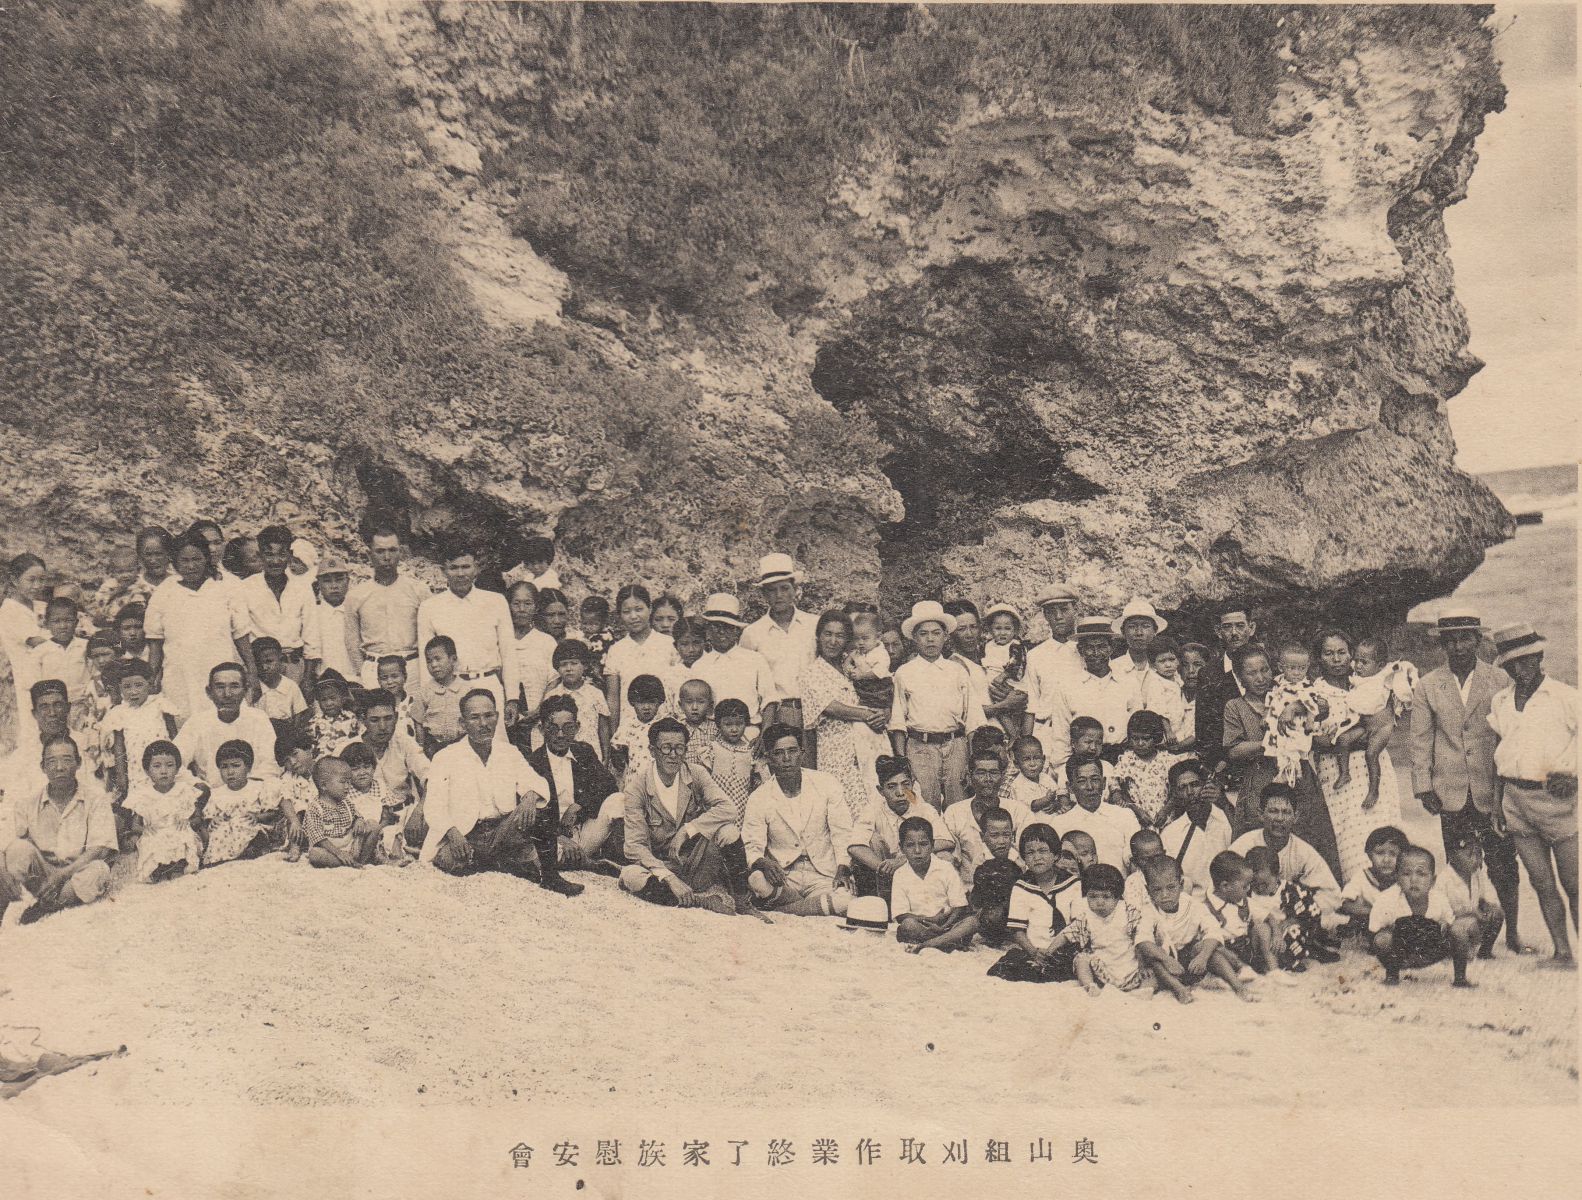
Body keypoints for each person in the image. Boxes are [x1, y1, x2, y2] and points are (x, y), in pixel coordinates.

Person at [1409, 608, 1525, 954]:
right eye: (1451, 640)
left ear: (1478, 640)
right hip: (1450, 792)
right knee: (1459, 866)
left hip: (1493, 789)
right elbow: (1419, 739)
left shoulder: (1501, 680)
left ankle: (1513, 933)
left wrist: (1510, 786)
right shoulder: (1429, 684)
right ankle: (1464, 935)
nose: (1459, 646)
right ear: (1442, 644)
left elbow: (1510, 736)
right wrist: (1424, 787)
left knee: (1504, 861)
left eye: (1465, 638)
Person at [410, 689, 581, 895]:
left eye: (489, 716)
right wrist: (453, 834)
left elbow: (538, 783)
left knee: (538, 806)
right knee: (453, 861)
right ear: (462, 724)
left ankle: (550, 877)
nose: (484, 724)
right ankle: (503, 861)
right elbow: (434, 806)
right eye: (475, 717)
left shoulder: (508, 752)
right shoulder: (446, 757)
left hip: (503, 831)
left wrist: (530, 796)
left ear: (497, 717)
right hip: (465, 836)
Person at [1486, 622, 1577, 968]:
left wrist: (1570, 772)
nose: (1519, 670)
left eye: (1525, 661)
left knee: (1575, 883)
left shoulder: (1566, 697)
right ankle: (1563, 953)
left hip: (1557, 800)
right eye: (1511, 664)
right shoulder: (1502, 700)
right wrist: (1497, 805)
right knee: (1542, 882)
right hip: (1516, 801)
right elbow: (1500, 753)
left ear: (1539, 657)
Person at [619, 717, 761, 917]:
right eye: (666, 748)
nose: (673, 755)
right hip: (661, 867)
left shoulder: (696, 773)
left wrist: (688, 829)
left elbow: (728, 809)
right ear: (652, 751)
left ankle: (742, 900)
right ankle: (700, 900)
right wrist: (669, 877)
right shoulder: (637, 786)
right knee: (630, 875)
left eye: (680, 748)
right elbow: (634, 846)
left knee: (729, 831)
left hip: (696, 862)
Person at [1221, 644, 1340, 876]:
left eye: (1264, 670)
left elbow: (1323, 706)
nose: (1260, 678)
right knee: (1258, 839)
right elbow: (1233, 750)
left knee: (1310, 833)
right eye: (1251, 673)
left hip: (1299, 776)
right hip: (1261, 779)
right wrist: (1272, 742)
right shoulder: (1235, 707)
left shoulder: (1290, 690)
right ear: (1239, 677)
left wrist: (1297, 706)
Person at [1310, 628, 1404, 884]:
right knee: (1348, 836)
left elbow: (1387, 719)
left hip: (1373, 767)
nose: (1337, 659)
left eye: (1342, 652)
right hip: (1335, 770)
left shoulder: (1369, 680)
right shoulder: (1313, 693)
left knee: (1382, 831)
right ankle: (1356, 899)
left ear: (1352, 654)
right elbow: (1313, 739)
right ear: (1318, 658)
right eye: (1328, 653)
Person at [0, 735, 116, 924]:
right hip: (43, 877)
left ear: (78, 763)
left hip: (76, 873)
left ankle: (45, 907)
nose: (60, 767)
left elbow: (100, 848)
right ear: (43, 767)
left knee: (99, 870)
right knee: (17, 850)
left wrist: (63, 875)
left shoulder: (96, 799)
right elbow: (11, 845)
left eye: (67, 759)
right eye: (52, 761)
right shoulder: (28, 803)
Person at [416, 538, 525, 737]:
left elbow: (509, 653)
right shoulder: (430, 607)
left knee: (496, 749)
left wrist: (512, 697)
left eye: (466, 567)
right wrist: (429, 700)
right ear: (444, 571)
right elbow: (427, 662)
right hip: (450, 689)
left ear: (476, 568)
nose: (460, 574)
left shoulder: (496, 602)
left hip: (489, 683)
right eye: (453, 567)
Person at [742, 723, 853, 916]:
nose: (787, 759)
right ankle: (812, 907)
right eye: (779, 753)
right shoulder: (759, 797)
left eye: (792, 751)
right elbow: (752, 845)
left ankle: (786, 908)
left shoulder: (827, 783)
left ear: (802, 753)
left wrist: (843, 867)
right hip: (784, 876)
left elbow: (842, 832)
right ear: (768, 758)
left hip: (822, 872)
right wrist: (762, 862)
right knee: (757, 880)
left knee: (846, 901)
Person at [888, 601, 987, 811]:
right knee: (920, 804)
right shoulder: (904, 673)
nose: (930, 639)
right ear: (914, 638)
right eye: (923, 633)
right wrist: (903, 763)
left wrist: (971, 759)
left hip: (956, 746)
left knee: (959, 806)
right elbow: (898, 723)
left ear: (945, 636)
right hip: (919, 747)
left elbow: (973, 720)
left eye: (936, 633)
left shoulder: (957, 670)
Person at [144, 533, 253, 719]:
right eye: (184, 560)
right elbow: (155, 644)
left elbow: (241, 636)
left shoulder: (225, 588)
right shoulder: (164, 592)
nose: (191, 566)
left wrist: (252, 673)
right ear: (174, 562)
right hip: (180, 677)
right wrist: (151, 679)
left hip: (220, 674)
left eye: (197, 559)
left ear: (206, 558)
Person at [799, 609, 885, 822]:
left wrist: (884, 712)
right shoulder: (811, 673)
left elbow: (880, 689)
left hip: (869, 747)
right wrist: (867, 714)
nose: (833, 641)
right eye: (828, 634)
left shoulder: (855, 665)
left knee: (877, 805)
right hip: (836, 755)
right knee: (850, 814)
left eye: (840, 635)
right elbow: (832, 707)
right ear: (818, 636)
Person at [526, 694, 625, 871]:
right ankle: (590, 864)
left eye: (568, 728)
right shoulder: (533, 763)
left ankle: (616, 856)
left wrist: (579, 806)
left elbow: (609, 786)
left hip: (582, 832)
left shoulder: (583, 751)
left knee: (619, 800)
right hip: (552, 839)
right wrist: (558, 838)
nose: (561, 735)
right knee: (537, 853)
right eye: (553, 728)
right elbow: (530, 818)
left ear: (577, 727)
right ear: (541, 729)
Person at [1134, 856, 1253, 1003]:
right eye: (1157, 890)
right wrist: (1167, 959)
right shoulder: (1148, 910)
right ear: (1148, 890)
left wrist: (1203, 957)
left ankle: (1238, 987)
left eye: (1171, 887)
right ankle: (1180, 990)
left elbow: (1213, 931)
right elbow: (1143, 940)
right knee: (1155, 963)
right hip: (1166, 962)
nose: (1164, 895)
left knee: (1210, 950)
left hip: (1191, 959)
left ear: (1181, 884)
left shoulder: (1193, 905)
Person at [1369, 845, 1479, 987]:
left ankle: (1460, 978)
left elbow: (1450, 925)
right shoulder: (1387, 900)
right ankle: (1392, 975)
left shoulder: (1439, 899)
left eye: (1421, 874)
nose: (1414, 880)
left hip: (1431, 950)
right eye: (1406, 874)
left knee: (1458, 930)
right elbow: (1374, 933)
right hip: (1401, 953)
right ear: (1397, 878)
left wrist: (1444, 928)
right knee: (1382, 939)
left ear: (1433, 881)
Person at [1228, 782, 1341, 920]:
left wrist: (1297, 914)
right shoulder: (1244, 846)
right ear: (1260, 814)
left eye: (1286, 812)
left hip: (1291, 915)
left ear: (1296, 817)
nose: (1280, 819)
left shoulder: (1303, 852)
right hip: (1252, 915)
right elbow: (1221, 886)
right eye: (1273, 811)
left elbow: (1332, 895)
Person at [1042, 616, 1141, 766]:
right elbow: (1061, 737)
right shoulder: (1067, 687)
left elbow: (1137, 726)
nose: (1096, 653)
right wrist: (1063, 770)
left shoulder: (1128, 682)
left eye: (1101, 646)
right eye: (1089, 647)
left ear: (1111, 648)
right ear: (1080, 650)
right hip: (1085, 763)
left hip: (1124, 760)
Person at [345, 524, 432, 691]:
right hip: (374, 670)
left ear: (400, 553)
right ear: (370, 554)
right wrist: (363, 672)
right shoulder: (356, 595)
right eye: (380, 551)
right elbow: (352, 641)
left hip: (412, 669)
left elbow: (429, 635)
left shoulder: (419, 590)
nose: (387, 557)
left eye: (392, 550)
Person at [846, 756, 948, 898]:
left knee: (945, 856)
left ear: (912, 785)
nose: (900, 792)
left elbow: (946, 840)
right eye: (891, 786)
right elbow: (854, 846)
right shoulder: (873, 809)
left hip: (917, 867)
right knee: (872, 840)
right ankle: (882, 904)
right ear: (880, 790)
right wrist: (886, 868)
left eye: (905, 785)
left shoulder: (923, 808)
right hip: (886, 875)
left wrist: (903, 860)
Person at [986, 823, 1074, 982]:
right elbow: (1017, 930)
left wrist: (1051, 950)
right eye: (1030, 852)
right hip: (1033, 949)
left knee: (1069, 964)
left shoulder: (1073, 884)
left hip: (1063, 948)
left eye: (1043, 851)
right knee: (1010, 965)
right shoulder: (1021, 887)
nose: (1037, 857)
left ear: (1056, 855)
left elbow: (1076, 926)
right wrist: (1033, 952)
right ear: (1024, 858)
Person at [739, 553, 817, 730]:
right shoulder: (752, 633)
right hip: (777, 713)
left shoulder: (814, 625)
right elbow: (749, 680)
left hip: (815, 710)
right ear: (764, 594)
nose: (779, 595)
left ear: (794, 589)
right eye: (772, 590)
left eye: (784, 588)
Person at [1047, 863, 1148, 995]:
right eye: (1093, 896)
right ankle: (1090, 986)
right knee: (1081, 959)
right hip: (1102, 967)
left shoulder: (1128, 912)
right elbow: (1066, 934)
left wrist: (1142, 964)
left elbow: (1141, 937)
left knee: (1152, 972)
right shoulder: (1086, 917)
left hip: (1131, 963)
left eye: (1106, 896)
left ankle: (1145, 990)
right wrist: (1049, 950)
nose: (1099, 902)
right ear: (1086, 896)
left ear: (1117, 897)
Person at [175, 663, 280, 785]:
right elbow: (173, 761)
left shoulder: (258, 718)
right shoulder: (197, 722)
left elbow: (271, 763)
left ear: (245, 690)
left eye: (234, 686)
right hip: (211, 795)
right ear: (209, 692)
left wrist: (246, 789)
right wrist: (196, 784)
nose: (227, 694)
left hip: (254, 792)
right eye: (220, 687)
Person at [237, 525, 316, 686]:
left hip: (295, 666)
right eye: (269, 554)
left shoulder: (302, 587)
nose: (275, 561)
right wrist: (252, 672)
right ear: (260, 555)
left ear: (290, 555)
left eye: (281, 554)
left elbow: (312, 635)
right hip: (262, 668)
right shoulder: (245, 587)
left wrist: (307, 679)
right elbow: (241, 632)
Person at [942, 746, 1033, 884]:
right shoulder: (954, 812)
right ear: (970, 776)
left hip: (1014, 887)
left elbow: (1029, 853)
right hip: (970, 889)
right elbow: (950, 858)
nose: (988, 779)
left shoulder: (1019, 811)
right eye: (981, 773)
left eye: (994, 773)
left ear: (1002, 777)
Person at [121, 740, 205, 883]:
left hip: (178, 829)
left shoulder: (184, 790)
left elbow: (198, 817)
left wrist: (187, 822)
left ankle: (178, 866)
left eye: (170, 765)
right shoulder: (144, 795)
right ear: (147, 771)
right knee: (152, 843)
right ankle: (159, 869)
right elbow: (135, 825)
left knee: (185, 838)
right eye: (157, 766)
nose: (164, 771)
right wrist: (146, 829)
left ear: (178, 768)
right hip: (156, 832)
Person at [1193, 602, 1260, 773]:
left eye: (1240, 626)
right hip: (1229, 767)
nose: (1234, 633)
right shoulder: (1208, 674)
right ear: (1218, 632)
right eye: (1227, 627)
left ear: (1251, 628)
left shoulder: (1269, 667)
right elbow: (1204, 730)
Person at [892, 816, 975, 952]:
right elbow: (901, 914)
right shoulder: (900, 874)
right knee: (907, 925)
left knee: (972, 922)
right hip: (921, 925)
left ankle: (927, 945)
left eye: (923, 844)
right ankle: (945, 942)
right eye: (910, 845)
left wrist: (943, 925)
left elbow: (959, 906)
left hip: (948, 924)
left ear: (932, 845)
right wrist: (929, 920)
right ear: (901, 848)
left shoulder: (946, 868)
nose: (917, 851)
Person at [693, 593, 777, 726]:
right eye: (716, 626)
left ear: (737, 630)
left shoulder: (755, 660)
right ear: (708, 630)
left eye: (728, 626)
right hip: (711, 730)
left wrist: (764, 735)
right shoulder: (699, 666)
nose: (721, 632)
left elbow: (770, 701)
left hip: (750, 731)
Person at [101, 658, 180, 799]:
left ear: (149, 684)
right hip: (136, 767)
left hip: (164, 764)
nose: (133, 692)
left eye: (138, 685)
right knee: (143, 801)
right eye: (127, 687)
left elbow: (175, 736)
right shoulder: (119, 713)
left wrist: (180, 764)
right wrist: (121, 776)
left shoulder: (160, 704)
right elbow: (119, 747)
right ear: (119, 687)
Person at [603, 584, 678, 732]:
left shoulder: (669, 645)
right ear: (619, 615)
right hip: (630, 730)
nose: (633, 616)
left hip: (666, 728)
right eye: (626, 611)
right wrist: (615, 735)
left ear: (650, 609)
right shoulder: (616, 650)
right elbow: (613, 699)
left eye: (639, 609)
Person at [357, 689, 430, 838]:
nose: (383, 727)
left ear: (396, 718)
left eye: (388, 718)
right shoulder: (348, 749)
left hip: (405, 816)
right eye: (375, 720)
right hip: (366, 822)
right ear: (363, 720)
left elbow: (431, 777)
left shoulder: (404, 742)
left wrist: (419, 811)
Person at [198, 739, 280, 866]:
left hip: (250, 826)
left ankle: (250, 850)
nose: (230, 772)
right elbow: (209, 817)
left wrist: (257, 817)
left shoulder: (258, 787)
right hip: (226, 832)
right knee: (218, 831)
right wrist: (214, 820)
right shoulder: (217, 793)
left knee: (248, 828)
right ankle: (221, 859)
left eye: (236, 765)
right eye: (224, 767)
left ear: (248, 767)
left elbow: (272, 812)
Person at [1050, 753, 1139, 871]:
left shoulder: (1124, 816)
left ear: (1103, 783)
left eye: (1095, 780)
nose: (1090, 787)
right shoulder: (1059, 824)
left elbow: (1135, 861)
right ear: (1070, 787)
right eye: (1082, 781)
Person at [1158, 759, 1233, 896]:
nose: (1190, 792)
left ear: (1206, 785)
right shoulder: (1170, 834)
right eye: (1182, 787)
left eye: (1195, 785)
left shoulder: (1226, 820)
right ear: (1176, 794)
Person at [505, 580, 558, 749]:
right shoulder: (499, 640)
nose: (521, 609)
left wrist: (539, 710)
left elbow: (554, 680)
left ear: (536, 608)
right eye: (516, 603)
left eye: (527, 604)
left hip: (538, 716)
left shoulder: (546, 641)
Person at [302, 756, 381, 870]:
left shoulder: (346, 803)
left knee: (373, 825)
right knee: (315, 854)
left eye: (349, 782)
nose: (348, 787)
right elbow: (318, 838)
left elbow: (357, 815)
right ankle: (349, 863)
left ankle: (361, 861)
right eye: (343, 782)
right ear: (324, 785)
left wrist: (359, 820)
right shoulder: (315, 808)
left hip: (352, 845)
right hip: (330, 848)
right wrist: (338, 853)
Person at [1438, 830, 1506, 960]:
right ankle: (1453, 952)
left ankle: (1485, 951)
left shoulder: (1477, 874)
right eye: (1470, 855)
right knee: (1467, 925)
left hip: (1472, 920)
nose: (1476, 860)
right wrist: (1473, 912)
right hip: (1452, 924)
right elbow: (1443, 914)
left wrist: (1486, 905)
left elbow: (1483, 896)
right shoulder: (1444, 879)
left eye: (1479, 855)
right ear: (1452, 856)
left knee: (1497, 912)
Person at [1, 553, 49, 737]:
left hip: (45, 672)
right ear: (14, 580)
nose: (37, 586)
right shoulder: (10, 611)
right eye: (31, 580)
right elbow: (37, 642)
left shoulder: (40, 606)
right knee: (32, 730)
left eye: (41, 580)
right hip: (26, 678)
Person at [543, 640, 611, 760]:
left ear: (584, 665)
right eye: (563, 664)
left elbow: (603, 728)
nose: (569, 669)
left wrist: (605, 757)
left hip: (592, 757)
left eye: (574, 663)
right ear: (557, 668)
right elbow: (547, 730)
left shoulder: (595, 694)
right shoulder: (552, 696)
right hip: (562, 757)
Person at [1111, 710, 1178, 830]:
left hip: (1165, 820)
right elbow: (1117, 790)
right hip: (1138, 820)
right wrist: (1136, 810)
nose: (1140, 743)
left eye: (1146, 739)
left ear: (1156, 737)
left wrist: (1165, 810)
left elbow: (1177, 791)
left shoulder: (1167, 760)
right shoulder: (1126, 761)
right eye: (1135, 738)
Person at [1337, 825, 1409, 936]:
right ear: (1369, 854)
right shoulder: (1362, 877)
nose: (1386, 860)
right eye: (1380, 853)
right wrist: (1373, 912)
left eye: (1393, 854)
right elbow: (1345, 903)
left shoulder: (1403, 880)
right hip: (1368, 923)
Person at [968, 809, 1024, 948]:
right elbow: (976, 892)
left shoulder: (1019, 858)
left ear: (1013, 834)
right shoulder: (980, 859)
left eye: (1006, 835)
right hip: (991, 908)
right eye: (994, 836)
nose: (1001, 841)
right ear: (983, 836)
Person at [410, 634, 469, 754]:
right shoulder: (424, 692)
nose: (433, 665)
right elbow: (418, 724)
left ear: (453, 659)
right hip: (434, 747)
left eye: (438, 659)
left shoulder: (466, 690)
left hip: (462, 745)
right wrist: (421, 749)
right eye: (429, 661)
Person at [706, 698, 761, 823]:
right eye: (728, 724)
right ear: (719, 725)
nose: (734, 729)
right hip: (717, 806)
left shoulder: (750, 750)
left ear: (746, 724)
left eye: (739, 723)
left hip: (743, 805)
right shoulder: (712, 748)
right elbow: (704, 780)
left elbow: (757, 782)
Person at [307, 556, 359, 686]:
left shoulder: (357, 611)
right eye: (327, 581)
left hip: (357, 680)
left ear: (348, 581)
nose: (334, 586)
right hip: (324, 682)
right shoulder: (312, 614)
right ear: (318, 584)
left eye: (339, 579)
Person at [609, 673, 668, 784]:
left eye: (651, 702)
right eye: (641, 702)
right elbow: (617, 749)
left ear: (659, 702)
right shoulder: (627, 725)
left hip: (659, 780)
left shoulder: (664, 725)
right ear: (632, 702)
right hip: (635, 780)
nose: (646, 707)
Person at [1109, 597, 1167, 695]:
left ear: (1155, 631)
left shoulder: (1166, 666)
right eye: (1132, 626)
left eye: (1145, 626)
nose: (1139, 633)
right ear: (1123, 631)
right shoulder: (1112, 668)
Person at [306, 673, 360, 758]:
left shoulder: (351, 718)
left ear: (342, 699)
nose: (329, 703)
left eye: (333, 698)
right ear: (318, 702)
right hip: (324, 762)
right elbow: (311, 746)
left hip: (346, 760)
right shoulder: (314, 722)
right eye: (323, 700)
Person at [1005, 735, 1062, 815]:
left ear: (1043, 759)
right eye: (1026, 759)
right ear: (1016, 764)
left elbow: (1057, 795)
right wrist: (1047, 799)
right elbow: (1032, 805)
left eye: (1037, 758)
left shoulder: (1046, 778)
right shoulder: (1017, 785)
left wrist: (1054, 804)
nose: (1032, 764)